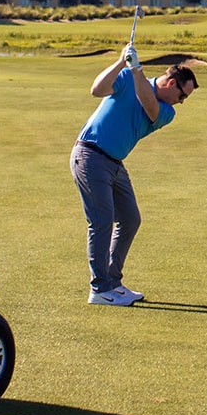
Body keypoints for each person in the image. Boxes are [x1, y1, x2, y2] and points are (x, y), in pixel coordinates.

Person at [70, 44, 197, 306]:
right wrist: (120, 62)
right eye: (182, 95)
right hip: (90, 155)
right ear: (172, 82)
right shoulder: (128, 77)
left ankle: (113, 282)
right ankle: (99, 289)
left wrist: (136, 69)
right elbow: (97, 90)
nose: (181, 103)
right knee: (101, 221)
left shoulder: (166, 112)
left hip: (114, 163)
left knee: (130, 219)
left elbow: (147, 104)